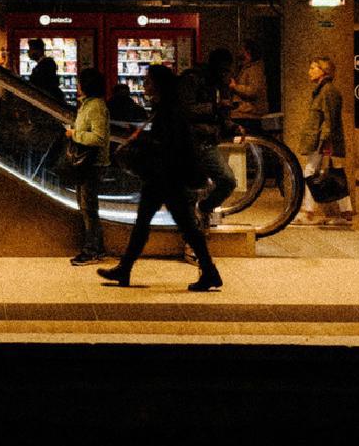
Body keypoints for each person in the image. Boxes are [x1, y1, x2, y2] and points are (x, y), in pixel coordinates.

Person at [97, 64, 222, 291]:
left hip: (167, 176)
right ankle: (125, 269)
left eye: (148, 80)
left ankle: (209, 271)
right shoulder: (167, 107)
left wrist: (139, 141)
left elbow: (167, 144)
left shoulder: (169, 110)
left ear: (158, 84)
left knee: (176, 225)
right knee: (155, 223)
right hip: (165, 175)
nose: (144, 84)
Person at [178, 48, 238, 229]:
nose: (226, 74)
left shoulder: (219, 84)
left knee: (223, 182)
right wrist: (214, 107)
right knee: (196, 187)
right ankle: (194, 231)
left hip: (206, 140)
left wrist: (232, 126)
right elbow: (185, 109)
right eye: (223, 69)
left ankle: (202, 211)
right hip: (190, 140)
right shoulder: (193, 79)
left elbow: (220, 116)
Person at [294, 56, 353, 227]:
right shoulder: (322, 90)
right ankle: (344, 213)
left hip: (323, 141)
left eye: (313, 68)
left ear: (324, 71)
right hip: (320, 140)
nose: (309, 71)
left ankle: (308, 212)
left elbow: (330, 119)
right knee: (331, 174)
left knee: (313, 172)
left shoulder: (328, 91)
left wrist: (325, 142)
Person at [64, 67, 110, 265]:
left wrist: (74, 134)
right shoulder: (87, 105)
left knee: (88, 208)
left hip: (92, 164)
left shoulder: (95, 107)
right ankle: (96, 248)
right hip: (87, 164)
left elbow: (98, 137)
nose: (77, 86)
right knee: (87, 207)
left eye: (80, 82)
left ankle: (92, 250)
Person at [229, 39, 269, 136]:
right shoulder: (246, 68)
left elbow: (253, 91)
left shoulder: (255, 69)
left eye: (241, 49)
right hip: (245, 113)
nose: (238, 52)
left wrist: (235, 87)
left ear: (248, 51)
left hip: (250, 114)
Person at [26, 38, 65, 103]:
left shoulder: (46, 64)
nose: (29, 52)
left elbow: (42, 84)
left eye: (31, 49)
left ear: (38, 51)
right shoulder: (46, 63)